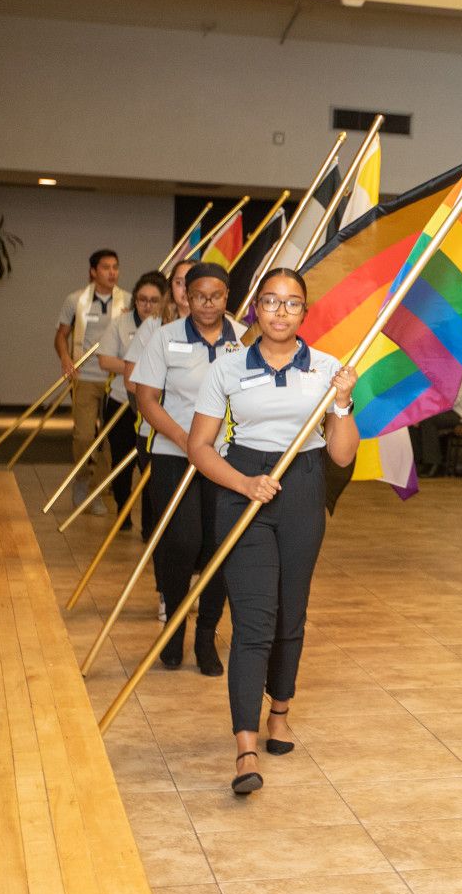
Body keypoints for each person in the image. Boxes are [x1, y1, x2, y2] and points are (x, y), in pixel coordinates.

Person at [187, 266, 358, 796]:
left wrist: (344, 401)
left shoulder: (328, 369)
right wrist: (244, 483)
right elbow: (198, 447)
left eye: (291, 304)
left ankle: (279, 711)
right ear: (254, 310)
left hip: (304, 486)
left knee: (291, 611)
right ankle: (244, 747)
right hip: (243, 487)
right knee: (253, 621)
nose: (280, 312)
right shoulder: (228, 368)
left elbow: (342, 453)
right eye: (270, 302)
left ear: (305, 313)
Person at [129, 263, 240, 676]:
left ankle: (206, 636)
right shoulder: (165, 337)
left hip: (227, 460)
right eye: (198, 296)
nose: (207, 303)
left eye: (216, 295)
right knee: (182, 544)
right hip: (175, 455)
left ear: (227, 296)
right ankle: (173, 632)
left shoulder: (245, 339)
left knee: (218, 547)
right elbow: (147, 398)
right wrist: (184, 440)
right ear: (185, 298)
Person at [54, 249, 130, 518]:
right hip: (85, 378)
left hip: (116, 380)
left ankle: (98, 490)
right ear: (93, 272)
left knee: (112, 439)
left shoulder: (128, 301)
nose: (112, 273)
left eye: (116, 267)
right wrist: (65, 358)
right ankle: (82, 480)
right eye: (106, 267)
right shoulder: (75, 300)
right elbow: (61, 335)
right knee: (84, 436)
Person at [94, 270, 168, 528]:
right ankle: (123, 513)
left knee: (149, 465)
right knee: (120, 460)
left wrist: (134, 366)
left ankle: (150, 524)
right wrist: (133, 366)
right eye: (141, 299)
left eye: (153, 300)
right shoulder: (121, 323)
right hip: (122, 401)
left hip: (157, 406)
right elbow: (105, 360)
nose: (147, 305)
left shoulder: (167, 325)